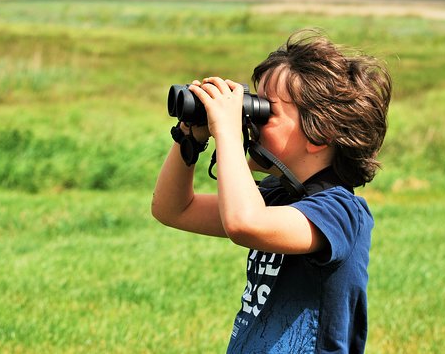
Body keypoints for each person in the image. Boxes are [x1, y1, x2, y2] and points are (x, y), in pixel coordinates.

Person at [152, 29, 392, 353]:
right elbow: (172, 209)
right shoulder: (276, 197)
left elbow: (245, 223)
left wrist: (227, 131)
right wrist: (189, 137)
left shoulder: (341, 212)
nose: (251, 120)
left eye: (267, 111)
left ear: (318, 133)